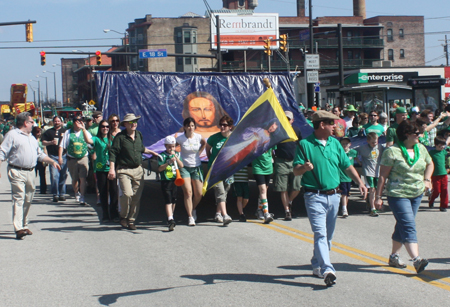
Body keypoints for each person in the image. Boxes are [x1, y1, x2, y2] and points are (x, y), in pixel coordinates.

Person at [293, 110, 367, 286]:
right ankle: (327, 269)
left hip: (334, 195)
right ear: (321, 125)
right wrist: (304, 167)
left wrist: (360, 182)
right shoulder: (305, 144)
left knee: (327, 237)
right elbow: (295, 170)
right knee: (320, 234)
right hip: (314, 196)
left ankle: (316, 263)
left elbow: (346, 166)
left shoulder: (335, 143)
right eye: (332, 123)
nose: (335, 126)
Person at [375, 120, 433, 274]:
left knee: (402, 225)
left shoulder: (420, 148)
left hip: (417, 193)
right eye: (416, 133)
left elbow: (430, 163)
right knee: (408, 225)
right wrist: (378, 197)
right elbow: (382, 176)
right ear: (406, 135)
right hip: (398, 194)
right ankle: (416, 259)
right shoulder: (392, 151)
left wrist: (427, 180)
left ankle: (394, 256)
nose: (420, 135)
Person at [0, 112, 60, 240]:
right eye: (32, 121)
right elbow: (2, 152)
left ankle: (24, 224)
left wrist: (52, 161)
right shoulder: (12, 135)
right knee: (19, 198)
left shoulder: (31, 138)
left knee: (28, 198)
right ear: (26, 123)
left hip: (30, 172)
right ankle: (18, 228)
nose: (34, 124)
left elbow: (39, 154)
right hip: (16, 171)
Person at [108, 113, 159, 230]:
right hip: (124, 170)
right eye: (131, 122)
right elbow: (113, 153)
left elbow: (141, 148)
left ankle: (131, 220)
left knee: (136, 197)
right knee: (127, 194)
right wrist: (112, 169)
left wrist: (151, 152)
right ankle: (123, 216)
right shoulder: (120, 137)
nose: (134, 124)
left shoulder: (138, 135)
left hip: (138, 170)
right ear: (125, 124)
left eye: (135, 121)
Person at [83, 120, 120, 223]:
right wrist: (83, 129)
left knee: (113, 191)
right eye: (103, 126)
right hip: (100, 169)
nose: (105, 128)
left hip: (111, 169)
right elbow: (88, 140)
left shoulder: (112, 139)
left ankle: (114, 213)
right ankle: (105, 214)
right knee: (103, 192)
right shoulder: (97, 139)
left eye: (107, 127)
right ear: (100, 128)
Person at [176, 117, 206, 226]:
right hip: (184, 167)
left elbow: (204, 143)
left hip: (197, 167)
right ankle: (190, 217)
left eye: (192, 125)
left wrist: (200, 152)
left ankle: (193, 209)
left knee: (199, 193)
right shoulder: (180, 139)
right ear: (184, 127)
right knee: (188, 192)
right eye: (188, 125)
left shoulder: (198, 137)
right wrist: (176, 157)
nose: (190, 128)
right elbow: (172, 148)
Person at [273, 111, 303, 221]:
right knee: (283, 188)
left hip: (295, 161)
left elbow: (301, 145)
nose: (287, 120)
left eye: (288, 119)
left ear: (292, 120)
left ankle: (289, 201)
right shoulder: (277, 130)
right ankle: (287, 211)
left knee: (297, 186)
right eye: (284, 118)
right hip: (281, 161)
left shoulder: (296, 130)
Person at [205, 115, 234, 226]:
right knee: (220, 191)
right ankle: (225, 215)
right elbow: (208, 149)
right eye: (221, 124)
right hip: (215, 170)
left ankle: (218, 213)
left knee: (225, 192)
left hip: (228, 170)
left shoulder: (233, 138)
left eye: (225, 125)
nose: (222, 127)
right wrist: (212, 161)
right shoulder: (214, 138)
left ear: (230, 126)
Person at [59, 115, 92, 206]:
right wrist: (60, 157)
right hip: (72, 159)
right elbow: (62, 145)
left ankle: (82, 195)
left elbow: (91, 143)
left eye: (81, 121)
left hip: (83, 158)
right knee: (74, 179)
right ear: (74, 123)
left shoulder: (85, 132)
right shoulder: (68, 133)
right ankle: (76, 192)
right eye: (77, 121)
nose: (79, 123)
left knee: (83, 178)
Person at [356, 132, 385, 217]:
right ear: (368, 141)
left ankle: (373, 203)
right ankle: (373, 209)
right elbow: (353, 152)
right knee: (372, 189)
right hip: (368, 172)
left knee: (378, 189)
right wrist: (358, 161)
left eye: (375, 142)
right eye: (372, 142)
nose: (374, 144)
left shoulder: (380, 147)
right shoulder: (363, 148)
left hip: (378, 172)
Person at [158, 135, 184, 231]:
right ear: (165, 146)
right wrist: (168, 162)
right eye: (169, 147)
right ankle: (170, 219)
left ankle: (170, 217)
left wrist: (176, 158)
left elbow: (181, 165)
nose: (171, 149)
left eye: (173, 146)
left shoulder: (177, 154)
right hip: (166, 181)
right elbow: (159, 169)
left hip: (175, 180)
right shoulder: (162, 156)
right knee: (168, 200)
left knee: (174, 200)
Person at [42, 116, 68, 202]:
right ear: (53, 122)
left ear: (61, 122)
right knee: (54, 176)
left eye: (58, 121)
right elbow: (43, 142)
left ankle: (62, 194)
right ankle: (55, 194)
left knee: (63, 176)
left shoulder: (65, 131)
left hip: (64, 156)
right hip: (53, 157)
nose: (57, 122)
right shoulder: (48, 132)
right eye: (55, 121)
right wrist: (50, 142)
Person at [338, 137, 358, 217]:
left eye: (346, 143)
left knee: (347, 194)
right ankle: (344, 209)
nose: (345, 145)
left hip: (349, 177)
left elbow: (357, 159)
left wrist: (360, 163)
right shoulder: (339, 153)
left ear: (350, 144)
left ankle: (344, 206)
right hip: (341, 176)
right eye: (343, 143)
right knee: (343, 193)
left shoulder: (352, 152)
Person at [428, 136, 448, 212]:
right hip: (435, 174)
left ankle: (443, 206)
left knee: (444, 190)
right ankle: (431, 199)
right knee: (437, 190)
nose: (442, 147)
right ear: (436, 145)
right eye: (441, 145)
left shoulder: (444, 152)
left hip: (444, 174)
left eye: (444, 145)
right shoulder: (432, 153)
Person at [31, 127, 47, 195]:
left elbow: (44, 148)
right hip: (34, 159)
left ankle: (43, 190)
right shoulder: (31, 139)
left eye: (39, 132)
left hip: (41, 159)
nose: (39, 134)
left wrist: (46, 158)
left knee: (42, 175)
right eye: (37, 132)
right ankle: (31, 189)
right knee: (33, 175)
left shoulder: (41, 140)